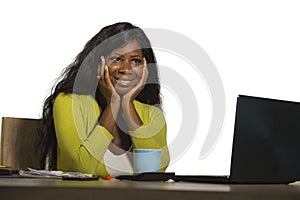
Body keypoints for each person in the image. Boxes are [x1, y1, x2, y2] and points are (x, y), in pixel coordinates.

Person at [39, 22, 170, 177]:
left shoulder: (152, 114)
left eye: (135, 61)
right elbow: (83, 170)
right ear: (98, 63)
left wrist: (127, 104)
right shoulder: (69, 103)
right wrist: (113, 103)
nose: (126, 69)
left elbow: (153, 174)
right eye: (117, 59)